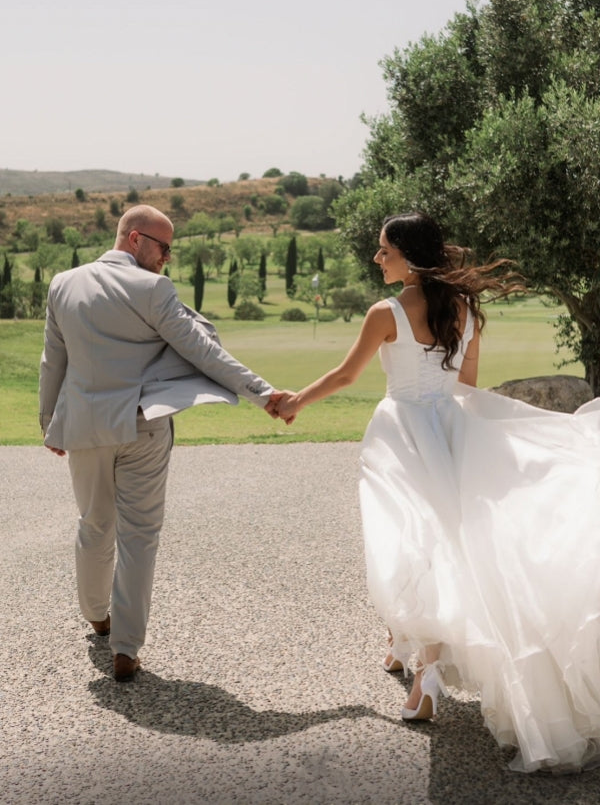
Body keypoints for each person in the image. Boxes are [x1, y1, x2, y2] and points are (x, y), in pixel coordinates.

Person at [275, 212, 600, 773]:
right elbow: (467, 385)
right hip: (452, 427)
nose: (377, 259)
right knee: (442, 542)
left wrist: (295, 401)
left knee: (411, 544)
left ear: (407, 255)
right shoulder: (467, 308)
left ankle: (426, 681)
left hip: (401, 432)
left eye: (383, 251)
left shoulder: (388, 312)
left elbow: (348, 376)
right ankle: (405, 648)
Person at [40, 204, 280, 682]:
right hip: (143, 426)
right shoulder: (153, 289)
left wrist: (51, 422)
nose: (167, 258)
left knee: (93, 523)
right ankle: (125, 649)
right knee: (139, 536)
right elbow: (203, 351)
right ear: (134, 239)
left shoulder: (62, 283)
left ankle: (96, 616)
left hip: (84, 425)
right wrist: (266, 395)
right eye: (164, 247)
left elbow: (53, 361)